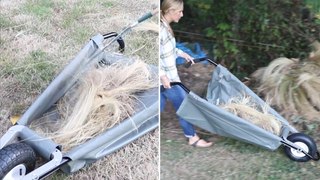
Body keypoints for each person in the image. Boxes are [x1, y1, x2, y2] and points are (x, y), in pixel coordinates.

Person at [160, 0, 212, 148]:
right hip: (167, 80)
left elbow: (167, 50)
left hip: (169, 78)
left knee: (155, 110)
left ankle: (143, 127)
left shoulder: (165, 27)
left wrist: (182, 53)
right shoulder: (160, 30)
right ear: (170, 10)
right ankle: (192, 137)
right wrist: (162, 75)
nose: (182, 15)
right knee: (185, 106)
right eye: (180, 11)